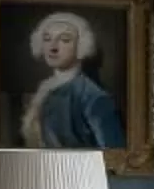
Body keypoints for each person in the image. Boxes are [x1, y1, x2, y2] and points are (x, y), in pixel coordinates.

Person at [17, 10, 124, 149]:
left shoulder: (93, 97)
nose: (53, 47)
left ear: (81, 45)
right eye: (47, 39)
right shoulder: (45, 88)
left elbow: (113, 152)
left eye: (65, 40)